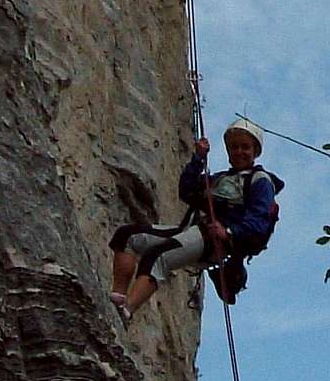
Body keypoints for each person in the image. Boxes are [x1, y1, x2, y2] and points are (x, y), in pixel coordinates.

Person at [108, 118, 277, 325]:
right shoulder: (220, 179)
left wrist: (230, 233)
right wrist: (198, 158)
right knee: (127, 236)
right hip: (194, 231)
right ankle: (117, 298)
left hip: (215, 241)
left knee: (158, 256)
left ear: (255, 151)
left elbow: (260, 221)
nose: (239, 152)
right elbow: (187, 192)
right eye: (234, 147)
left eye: (245, 147)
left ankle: (126, 311)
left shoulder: (260, 181)